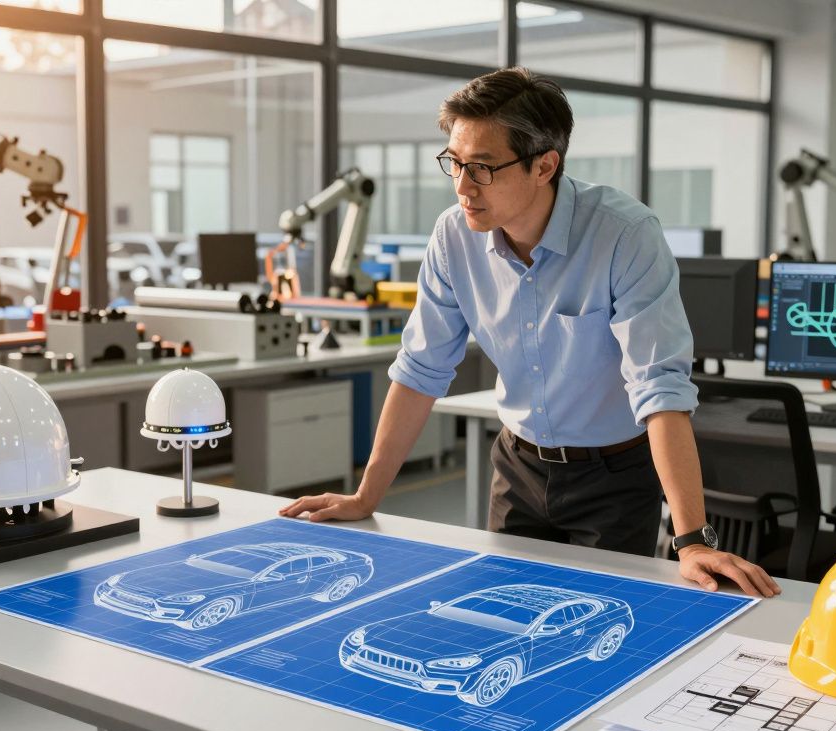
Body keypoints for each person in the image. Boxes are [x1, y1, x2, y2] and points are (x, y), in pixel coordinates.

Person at [280, 67, 780, 598]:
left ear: (545, 166)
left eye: (483, 168)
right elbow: (422, 368)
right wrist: (366, 496)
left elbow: (659, 389)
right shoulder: (454, 237)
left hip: (613, 475)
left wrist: (692, 541)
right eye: (454, 163)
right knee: (503, 614)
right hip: (518, 466)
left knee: (602, 625)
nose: (463, 187)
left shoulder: (624, 235)